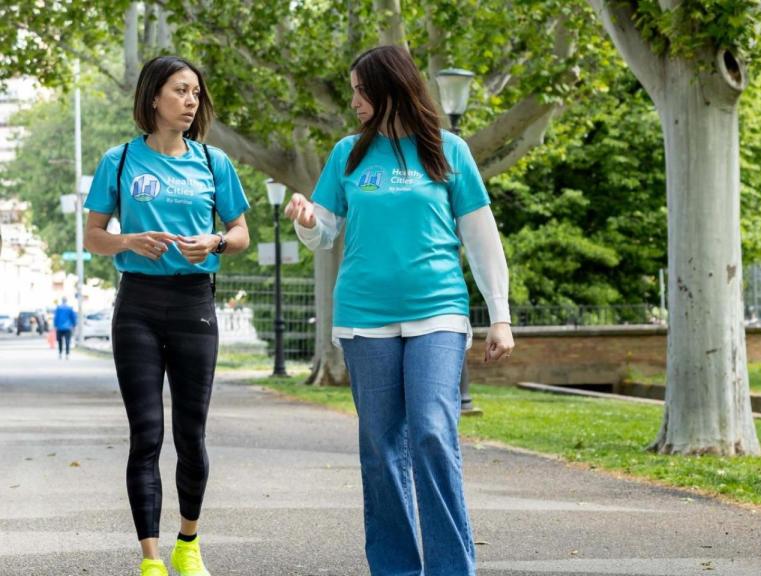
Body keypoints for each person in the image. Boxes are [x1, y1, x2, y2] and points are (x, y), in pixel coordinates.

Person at [285, 45, 514, 576]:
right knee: (381, 445)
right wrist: (303, 217)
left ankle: (452, 568)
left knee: (433, 430)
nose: (354, 100)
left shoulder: (447, 149)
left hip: (438, 311)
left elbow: (481, 238)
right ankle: (395, 568)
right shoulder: (348, 155)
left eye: (361, 90)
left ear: (390, 88)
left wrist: (498, 314)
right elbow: (322, 233)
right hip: (365, 318)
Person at [83, 55, 250, 576]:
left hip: (194, 302)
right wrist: (128, 240)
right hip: (137, 304)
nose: (190, 101)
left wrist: (216, 240)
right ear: (154, 97)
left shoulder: (212, 162)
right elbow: (93, 237)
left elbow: (240, 233)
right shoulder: (120, 160)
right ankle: (151, 559)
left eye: (196, 93)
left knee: (191, 433)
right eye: (181, 91)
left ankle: (189, 542)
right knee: (146, 433)